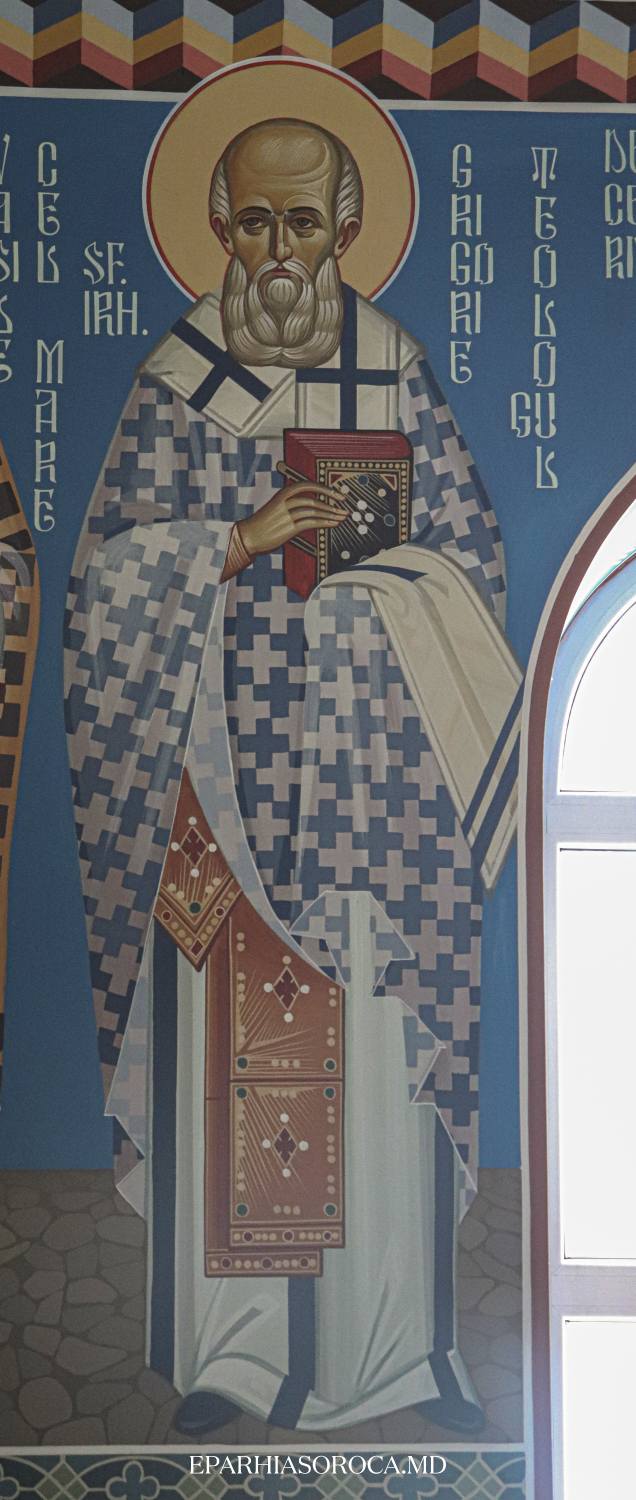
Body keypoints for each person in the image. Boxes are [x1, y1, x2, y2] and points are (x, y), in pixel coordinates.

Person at [64, 105, 516, 1438]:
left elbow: (480, 573)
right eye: (253, 221)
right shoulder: (177, 382)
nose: (276, 251)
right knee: (233, 1067)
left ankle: (398, 1356)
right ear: (217, 224)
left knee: (374, 1059)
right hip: (222, 795)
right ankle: (238, 1357)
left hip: (378, 802)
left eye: (302, 223)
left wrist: (398, 591)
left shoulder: (399, 373)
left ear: (347, 230)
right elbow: (102, 594)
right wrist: (238, 539)